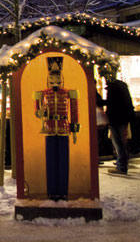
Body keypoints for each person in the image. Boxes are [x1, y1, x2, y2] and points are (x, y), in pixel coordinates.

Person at [33, 57, 80, 200]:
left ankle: (63, 192)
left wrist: (74, 128)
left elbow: (74, 110)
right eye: (52, 76)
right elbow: (37, 110)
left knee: (63, 161)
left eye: (57, 76)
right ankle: (52, 191)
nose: (55, 79)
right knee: (50, 161)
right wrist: (39, 112)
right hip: (49, 129)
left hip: (64, 128)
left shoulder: (67, 93)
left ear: (61, 77)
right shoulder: (43, 93)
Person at [101, 72, 134, 175]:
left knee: (118, 142)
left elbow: (111, 103)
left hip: (116, 118)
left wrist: (99, 102)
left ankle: (121, 166)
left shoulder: (113, 88)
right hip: (124, 117)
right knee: (121, 141)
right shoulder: (121, 85)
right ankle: (122, 163)